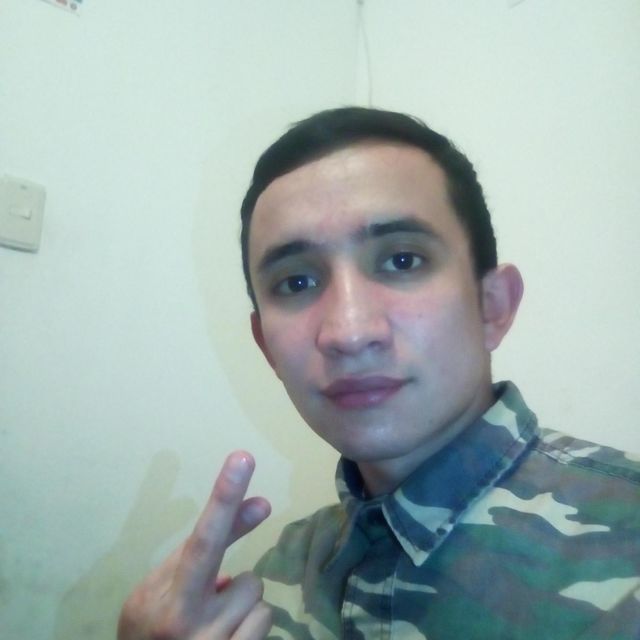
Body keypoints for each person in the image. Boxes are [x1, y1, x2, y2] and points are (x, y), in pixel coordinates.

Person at [118, 107, 640, 640]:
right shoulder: (278, 574)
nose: (348, 332)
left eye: (402, 261)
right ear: (266, 347)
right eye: (297, 283)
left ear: (493, 306)